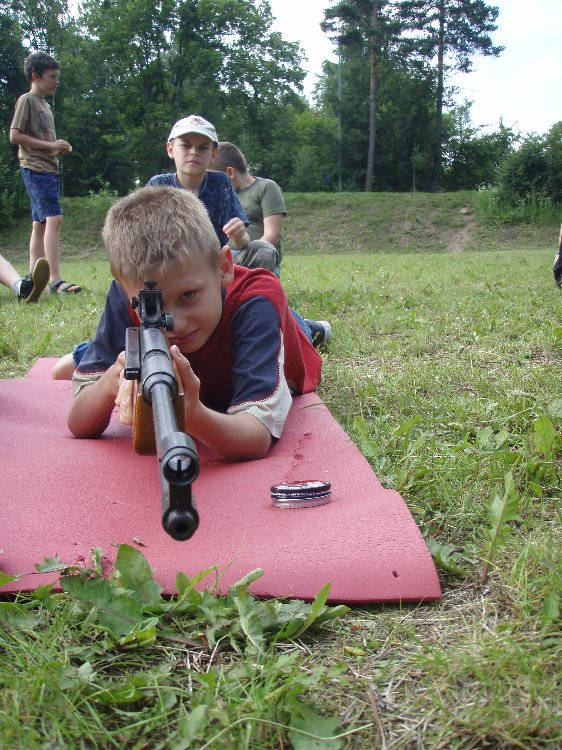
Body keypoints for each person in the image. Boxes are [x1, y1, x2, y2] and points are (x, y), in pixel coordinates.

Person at [67, 186, 325, 461]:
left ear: (224, 268)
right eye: (151, 306)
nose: (174, 323)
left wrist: (192, 414)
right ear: (123, 288)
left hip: (278, 329)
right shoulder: (126, 296)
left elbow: (256, 437)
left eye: (188, 296)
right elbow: (78, 421)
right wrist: (111, 381)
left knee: (297, 326)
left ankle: (312, 327)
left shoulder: (256, 301)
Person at [146, 115, 279, 273]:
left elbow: (243, 243)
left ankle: (245, 288)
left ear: (214, 153)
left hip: (213, 267)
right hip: (169, 268)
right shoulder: (158, 185)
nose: (194, 152)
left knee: (263, 250)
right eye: (186, 146)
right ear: (170, 149)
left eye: (202, 148)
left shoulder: (220, 183)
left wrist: (239, 235)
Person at [9, 52, 81, 295]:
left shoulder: (45, 104)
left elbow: (42, 139)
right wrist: (51, 146)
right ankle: (55, 281)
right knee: (54, 219)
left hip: (48, 169)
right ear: (35, 76)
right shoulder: (27, 100)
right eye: (52, 77)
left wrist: (58, 147)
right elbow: (14, 135)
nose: (56, 82)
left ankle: (33, 280)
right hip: (36, 168)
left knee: (39, 224)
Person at [211, 142, 286, 275]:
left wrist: (241, 257)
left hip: (257, 260)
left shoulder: (266, 188)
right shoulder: (220, 197)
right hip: (223, 261)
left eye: (215, 179)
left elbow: (272, 235)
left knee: (264, 250)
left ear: (230, 172)